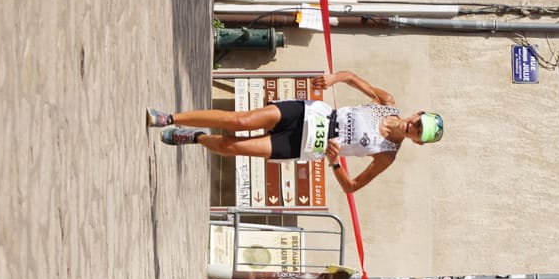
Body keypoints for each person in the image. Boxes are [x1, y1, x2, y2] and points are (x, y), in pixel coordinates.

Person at [146, 71, 443, 195]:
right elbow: (352, 78)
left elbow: (351, 186)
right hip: (311, 113)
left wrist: (335, 162)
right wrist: (332, 79)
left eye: (419, 132)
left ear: (417, 142)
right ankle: (168, 117)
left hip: (307, 145)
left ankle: (193, 136)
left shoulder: (387, 155)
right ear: (416, 113)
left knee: (231, 147)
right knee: (241, 121)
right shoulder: (386, 102)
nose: (413, 127)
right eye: (419, 122)